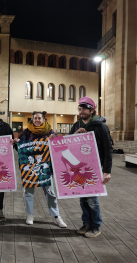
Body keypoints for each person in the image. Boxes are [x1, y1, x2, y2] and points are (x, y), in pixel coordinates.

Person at [70, 97, 112, 238]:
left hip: (93, 168)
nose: (81, 111)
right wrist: (75, 135)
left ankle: (95, 226)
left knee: (92, 200)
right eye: (79, 108)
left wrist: (107, 171)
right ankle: (86, 223)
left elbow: (108, 149)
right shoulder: (76, 125)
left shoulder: (100, 126)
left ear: (92, 110)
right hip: (79, 168)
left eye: (84, 108)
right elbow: (68, 144)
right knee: (83, 198)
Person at [17, 111, 67, 228]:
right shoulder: (26, 132)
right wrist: (15, 142)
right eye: (35, 118)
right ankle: (30, 215)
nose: (37, 120)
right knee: (28, 193)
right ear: (32, 119)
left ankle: (56, 216)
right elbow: (20, 147)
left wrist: (54, 140)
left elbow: (59, 147)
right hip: (29, 168)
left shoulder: (50, 132)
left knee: (50, 193)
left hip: (46, 168)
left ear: (44, 119)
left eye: (39, 118)